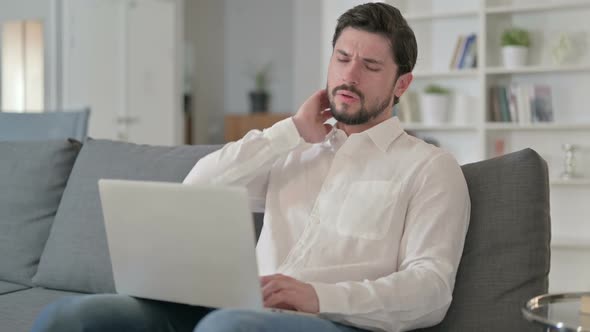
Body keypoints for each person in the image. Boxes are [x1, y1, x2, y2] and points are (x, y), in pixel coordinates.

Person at [31, 3, 470, 332]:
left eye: (370, 65)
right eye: (341, 58)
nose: (349, 76)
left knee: (226, 329)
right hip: (236, 309)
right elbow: (198, 187)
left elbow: (430, 291)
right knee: (72, 317)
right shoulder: (295, 148)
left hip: (336, 323)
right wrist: (291, 131)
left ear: (402, 85)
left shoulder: (430, 168)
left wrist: (318, 297)